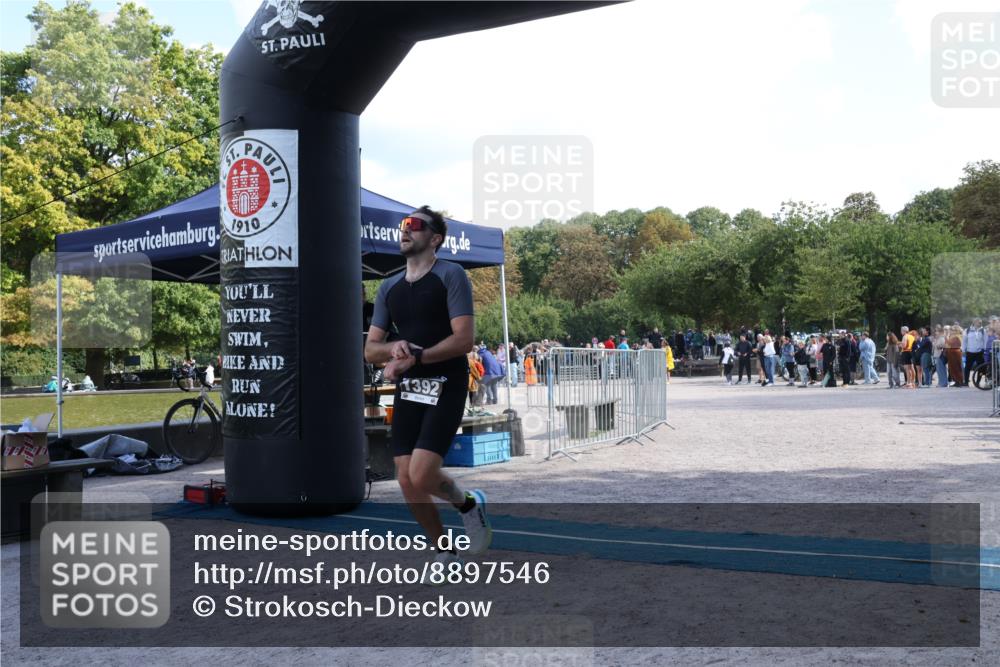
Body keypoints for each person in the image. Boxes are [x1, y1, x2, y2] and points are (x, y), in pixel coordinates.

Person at [364, 206, 491, 575]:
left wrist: (417, 357)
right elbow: (370, 350)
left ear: (435, 238)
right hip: (411, 387)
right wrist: (395, 348)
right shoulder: (389, 286)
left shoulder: (451, 275)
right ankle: (445, 552)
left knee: (421, 474)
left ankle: (467, 504)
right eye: (403, 225)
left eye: (415, 226)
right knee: (405, 478)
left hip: (447, 382)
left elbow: (463, 340)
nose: (405, 230)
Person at [963, 318, 986, 387]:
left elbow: (985, 340)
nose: (979, 323)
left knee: (981, 368)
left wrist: (984, 350)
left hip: (979, 352)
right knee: (967, 367)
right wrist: (963, 350)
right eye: (977, 322)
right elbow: (964, 341)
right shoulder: (967, 330)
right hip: (970, 351)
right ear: (973, 322)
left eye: (980, 322)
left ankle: (978, 382)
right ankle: (966, 382)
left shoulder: (983, 331)